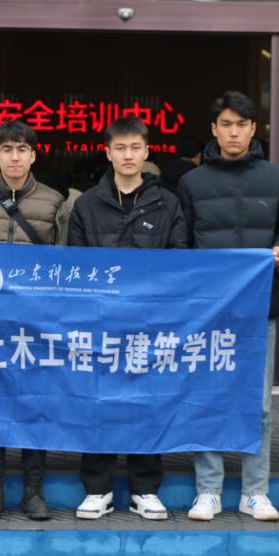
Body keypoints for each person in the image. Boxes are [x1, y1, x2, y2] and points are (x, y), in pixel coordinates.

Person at [176, 90, 279, 522]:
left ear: (253, 129)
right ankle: (208, 491)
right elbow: (182, 243)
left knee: (257, 405)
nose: (233, 132)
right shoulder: (192, 183)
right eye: (226, 124)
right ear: (214, 129)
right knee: (206, 397)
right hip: (208, 311)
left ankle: (255, 492)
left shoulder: (276, 179)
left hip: (258, 308)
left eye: (241, 125)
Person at [68, 116, 187, 520]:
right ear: (108, 153)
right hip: (100, 322)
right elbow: (77, 268)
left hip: (149, 324)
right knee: (97, 403)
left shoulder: (167, 203)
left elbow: (178, 262)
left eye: (135, 147)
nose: (128, 155)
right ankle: (96, 489)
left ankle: (145, 489)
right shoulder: (87, 205)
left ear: (147, 151)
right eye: (120, 148)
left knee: (147, 404)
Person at [0, 119, 71, 521]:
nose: (15, 157)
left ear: (33, 155)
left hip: (38, 323)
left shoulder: (56, 203)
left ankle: (34, 491)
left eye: (22, 149)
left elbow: (66, 263)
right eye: (7, 149)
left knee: (35, 404)